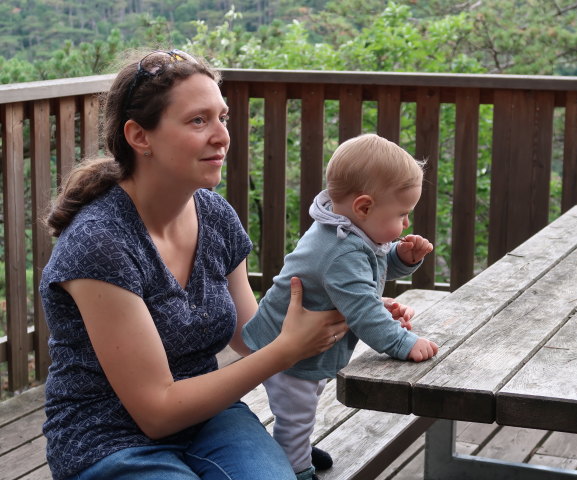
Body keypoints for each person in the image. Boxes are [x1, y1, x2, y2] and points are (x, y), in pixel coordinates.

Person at [39, 48, 348, 480]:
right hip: (107, 439)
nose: (221, 135)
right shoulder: (99, 244)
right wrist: (285, 351)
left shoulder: (214, 215)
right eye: (198, 120)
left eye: (221, 117)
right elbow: (157, 412)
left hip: (210, 417)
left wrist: (348, 314)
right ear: (139, 136)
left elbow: (252, 337)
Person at [242, 133, 440, 480]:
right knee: (296, 413)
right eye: (402, 214)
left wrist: (401, 257)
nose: (406, 224)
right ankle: (296, 467)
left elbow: (371, 267)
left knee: (304, 406)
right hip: (286, 349)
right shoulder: (342, 249)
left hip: (303, 343)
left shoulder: (347, 229)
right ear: (364, 207)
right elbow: (363, 309)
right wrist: (403, 344)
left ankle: (296, 447)